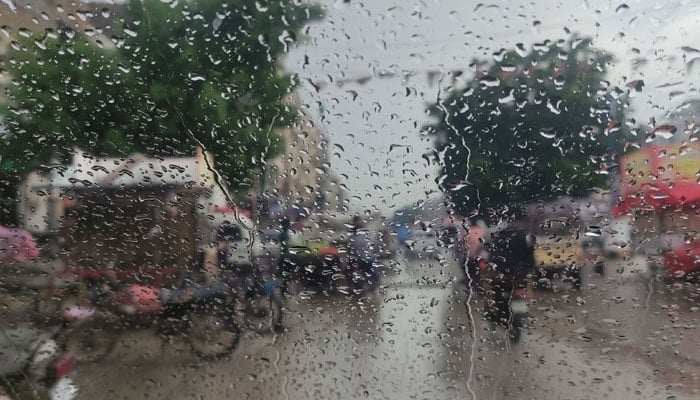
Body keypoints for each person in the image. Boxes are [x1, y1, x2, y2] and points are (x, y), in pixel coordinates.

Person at [482, 208, 535, 325]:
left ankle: (494, 315)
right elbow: (531, 259)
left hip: (500, 276)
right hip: (519, 277)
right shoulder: (527, 237)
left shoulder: (500, 235)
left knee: (491, 293)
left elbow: (492, 256)